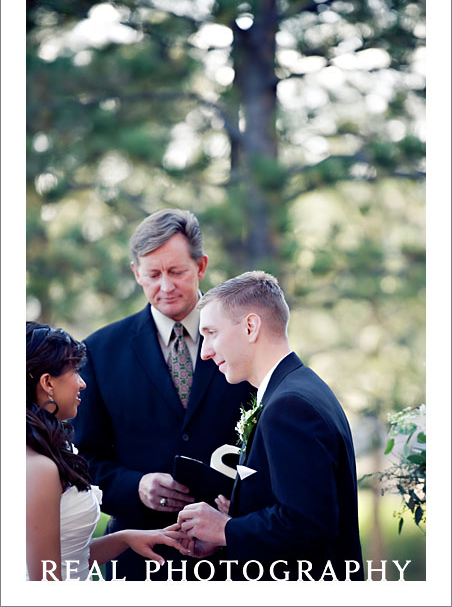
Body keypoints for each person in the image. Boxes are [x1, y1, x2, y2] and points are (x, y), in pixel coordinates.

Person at [71, 209, 254, 580]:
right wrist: (134, 487)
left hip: (233, 557)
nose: (165, 286)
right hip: (139, 562)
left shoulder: (247, 335)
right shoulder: (99, 352)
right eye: (153, 274)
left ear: (201, 266)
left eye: (177, 272)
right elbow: (82, 460)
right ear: (136, 272)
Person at [177, 271, 364, 581]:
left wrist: (225, 529)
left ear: (251, 327)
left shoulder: (290, 407)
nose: (205, 351)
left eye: (212, 333)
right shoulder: (297, 388)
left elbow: (308, 523)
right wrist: (236, 520)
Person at [26, 322, 187, 581]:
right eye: (75, 371)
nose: (83, 383)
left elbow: (69, 556)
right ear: (47, 383)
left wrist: (125, 538)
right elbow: (46, 582)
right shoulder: (38, 467)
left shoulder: (53, 449)